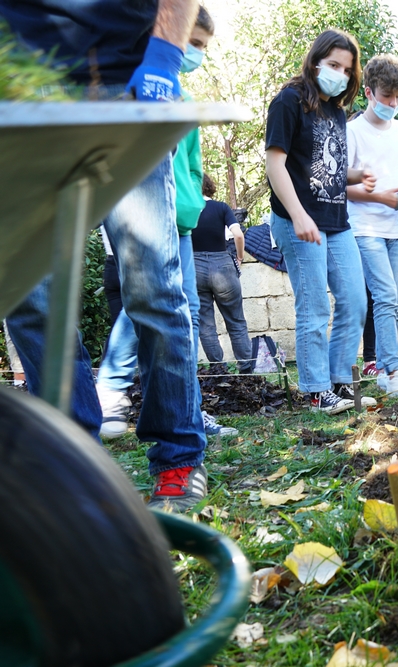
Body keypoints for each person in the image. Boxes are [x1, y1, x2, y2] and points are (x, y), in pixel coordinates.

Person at [0, 0, 210, 511]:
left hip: (125, 79)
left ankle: (179, 456)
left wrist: (162, 59)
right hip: (19, 85)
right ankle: (77, 464)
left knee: (154, 285)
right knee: (31, 297)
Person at [96, 6, 237, 446]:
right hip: (145, 216)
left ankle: (188, 408)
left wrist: (191, 207)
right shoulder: (131, 90)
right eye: (192, 43)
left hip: (182, 222)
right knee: (150, 299)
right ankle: (110, 392)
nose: (195, 53)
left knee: (185, 314)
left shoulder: (184, 104)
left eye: (202, 47)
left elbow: (192, 169)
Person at [265, 29, 378, 413]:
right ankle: (316, 390)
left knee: (355, 299)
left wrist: (354, 176)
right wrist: (297, 215)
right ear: (315, 61)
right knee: (314, 307)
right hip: (298, 222)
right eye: (333, 65)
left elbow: (322, 168)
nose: (340, 74)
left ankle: (341, 382)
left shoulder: (336, 111)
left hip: (336, 220)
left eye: (347, 70)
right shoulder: (288, 101)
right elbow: (275, 163)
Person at [346, 53, 398, 400]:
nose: (393, 104)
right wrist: (381, 198)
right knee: (382, 296)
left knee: (393, 299)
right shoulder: (351, 131)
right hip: (364, 226)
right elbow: (341, 187)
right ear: (368, 92)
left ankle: (382, 370)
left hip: (397, 227)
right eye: (386, 97)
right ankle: (395, 371)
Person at [193, 173, 254, 374]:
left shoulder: (185, 210)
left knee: (205, 324)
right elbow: (237, 234)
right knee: (236, 321)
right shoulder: (221, 208)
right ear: (210, 187)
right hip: (223, 266)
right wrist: (239, 256)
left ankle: (219, 371)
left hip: (195, 269)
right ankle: (246, 369)